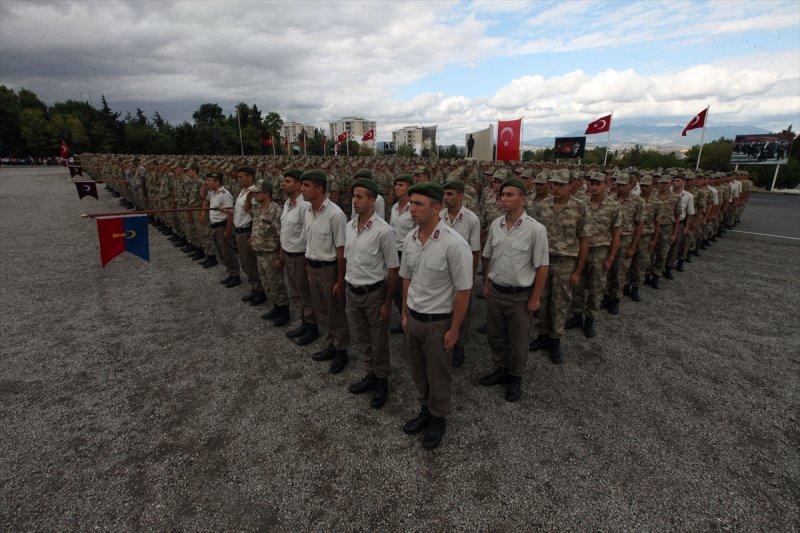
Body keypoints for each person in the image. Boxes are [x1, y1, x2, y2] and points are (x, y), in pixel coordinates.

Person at [399, 182, 472, 451]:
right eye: (410, 203)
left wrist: (454, 330)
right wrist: (405, 313)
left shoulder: (454, 244)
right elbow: (407, 278)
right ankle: (425, 410)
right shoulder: (410, 238)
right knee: (418, 371)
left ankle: (439, 418)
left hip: (438, 322)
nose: (411, 209)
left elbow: (464, 291)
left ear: (437, 208)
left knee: (438, 374)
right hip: (415, 318)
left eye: (418, 204)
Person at [480, 178, 548, 401]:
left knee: (518, 341)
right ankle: (500, 369)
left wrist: (535, 298)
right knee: (495, 336)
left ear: (523, 198)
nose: (505, 198)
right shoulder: (495, 225)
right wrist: (487, 284)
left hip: (519, 297)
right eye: (503, 195)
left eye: (510, 194)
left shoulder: (536, 230)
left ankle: (515, 377)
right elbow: (488, 255)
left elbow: (542, 266)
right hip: (496, 293)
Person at [344, 178, 400, 409]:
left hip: (374, 294)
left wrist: (387, 302)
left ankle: (382, 380)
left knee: (378, 342)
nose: (354, 201)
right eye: (353, 196)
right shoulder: (349, 226)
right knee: (362, 338)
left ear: (373, 200)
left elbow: (393, 268)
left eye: (360, 197)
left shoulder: (384, 231)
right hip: (353, 291)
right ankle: (370, 373)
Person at [529, 169, 588, 363]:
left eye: (560, 184)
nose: (555, 188)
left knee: (560, 302)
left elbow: (584, 239)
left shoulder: (579, 207)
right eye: (553, 184)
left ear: (570, 186)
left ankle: (555, 340)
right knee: (542, 299)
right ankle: (542, 335)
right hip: (544, 260)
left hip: (565, 261)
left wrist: (578, 271)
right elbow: (535, 235)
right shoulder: (542, 205)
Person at [300, 169, 350, 373]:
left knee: (335, 312)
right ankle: (331, 344)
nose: (302, 189)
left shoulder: (335, 214)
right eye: (302, 185)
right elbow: (308, 241)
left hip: (329, 270)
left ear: (319, 189)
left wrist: (340, 280)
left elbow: (341, 251)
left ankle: (341, 350)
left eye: (306, 185)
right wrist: (306, 264)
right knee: (321, 310)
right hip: (313, 267)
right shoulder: (308, 211)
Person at [566, 171, 620, 338]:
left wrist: (611, 257)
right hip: (580, 251)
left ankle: (590, 320)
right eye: (591, 184)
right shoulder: (580, 203)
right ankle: (577, 315)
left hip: (599, 252)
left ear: (606, 185)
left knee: (596, 287)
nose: (594, 187)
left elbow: (616, 233)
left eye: (598, 184)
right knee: (577, 284)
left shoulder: (613, 206)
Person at [440, 180, 481, 367]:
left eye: (450, 194)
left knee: (462, 312)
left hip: (462, 273)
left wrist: (470, 280)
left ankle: (460, 345)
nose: (446, 197)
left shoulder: (471, 219)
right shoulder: (439, 216)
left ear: (461, 196)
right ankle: (444, 340)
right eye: (445, 194)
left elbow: (474, 251)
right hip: (442, 273)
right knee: (443, 309)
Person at [280, 168, 319, 346]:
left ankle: (312, 327)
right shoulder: (288, 203)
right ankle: (304, 322)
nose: (283, 184)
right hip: (288, 253)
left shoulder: (304, 205)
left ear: (297, 185)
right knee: (295, 292)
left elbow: (308, 234)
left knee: (305, 293)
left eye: (287, 181)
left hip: (300, 255)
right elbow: (286, 232)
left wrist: (306, 260)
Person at [250, 180, 291, 326]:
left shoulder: (276, 211)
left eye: (257, 192)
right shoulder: (258, 208)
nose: (254, 194)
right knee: (267, 284)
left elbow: (282, 236)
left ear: (266, 194)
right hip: (260, 253)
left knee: (276, 285)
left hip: (271, 255)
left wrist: (280, 257)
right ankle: (276, 307)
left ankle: (284, 312)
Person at [602, 173, 642, 315]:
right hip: (609, 238)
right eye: (618, 184)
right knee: (607, 269)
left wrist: (633, 246)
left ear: (630, 186)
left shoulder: (637, 201)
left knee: (620, 270)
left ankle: (615, 299)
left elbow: (639, 226)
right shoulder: (610, 199)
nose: (620, 187)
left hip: (625, 239)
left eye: (623, 185)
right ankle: (606, 296)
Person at [232, 166, 267, 306]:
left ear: (250, 177)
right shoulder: (243, 191)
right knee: (245, 263)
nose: (238, 179)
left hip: (247, 231)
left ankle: (261, 291)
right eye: (239, 177)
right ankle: (255, 287)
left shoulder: (254, 193)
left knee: (251, 263)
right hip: (239, 230)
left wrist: (252, 235)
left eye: (241, 177)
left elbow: (256, 216)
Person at [388, 173, 415, 334]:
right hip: (394, 254)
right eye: (396, 185)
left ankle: (410, 323)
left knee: (408, 290)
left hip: (407, 255)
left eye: (401, 185)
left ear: (409, 188)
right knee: (395, 291)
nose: (397, 188)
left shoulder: (413, 208)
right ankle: (402, 317)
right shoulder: (394, 208)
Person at [205, 171, 240, 287]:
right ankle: (230, 273)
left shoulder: (224, 194)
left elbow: (230, 213)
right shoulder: (213, 193)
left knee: (228, 252)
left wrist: (228, 231)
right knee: (221, 252)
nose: (207, 182)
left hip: (223, 226)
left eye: (210, 180)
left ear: (217, 181)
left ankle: (235, 275)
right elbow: (203, 197)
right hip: (215, 226)